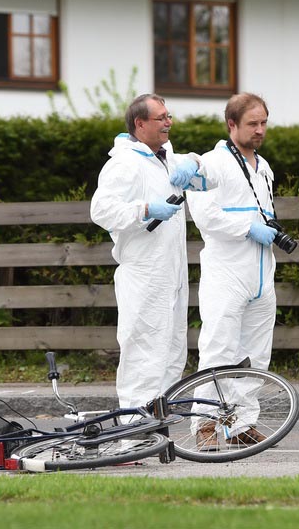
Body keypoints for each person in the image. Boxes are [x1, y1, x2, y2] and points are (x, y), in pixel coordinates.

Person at [90, 94, 212, 410]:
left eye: (169, 115)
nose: (168, 122)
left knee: (171, 352)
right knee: (143, 351)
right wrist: (144, 209)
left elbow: (210, 175)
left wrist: (195, 161)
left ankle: (156, 429)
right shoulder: (124, 163)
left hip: (172, 271)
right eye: (161, 117)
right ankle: (132, 432)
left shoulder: (168, 158)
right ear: (140, 123)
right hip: (143, 272)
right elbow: (101, 210)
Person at [186, 93, 280, 449]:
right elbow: (205, 214)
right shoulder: (213, 163)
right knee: (219, 348)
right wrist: (247, 228)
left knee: (257, 351)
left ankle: (241, 423)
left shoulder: (264, 167)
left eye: (263, 123)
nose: (259, 130)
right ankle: (205, 423)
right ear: (232, 125)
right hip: (226, 271)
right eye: (252, 124)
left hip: (261, 271)